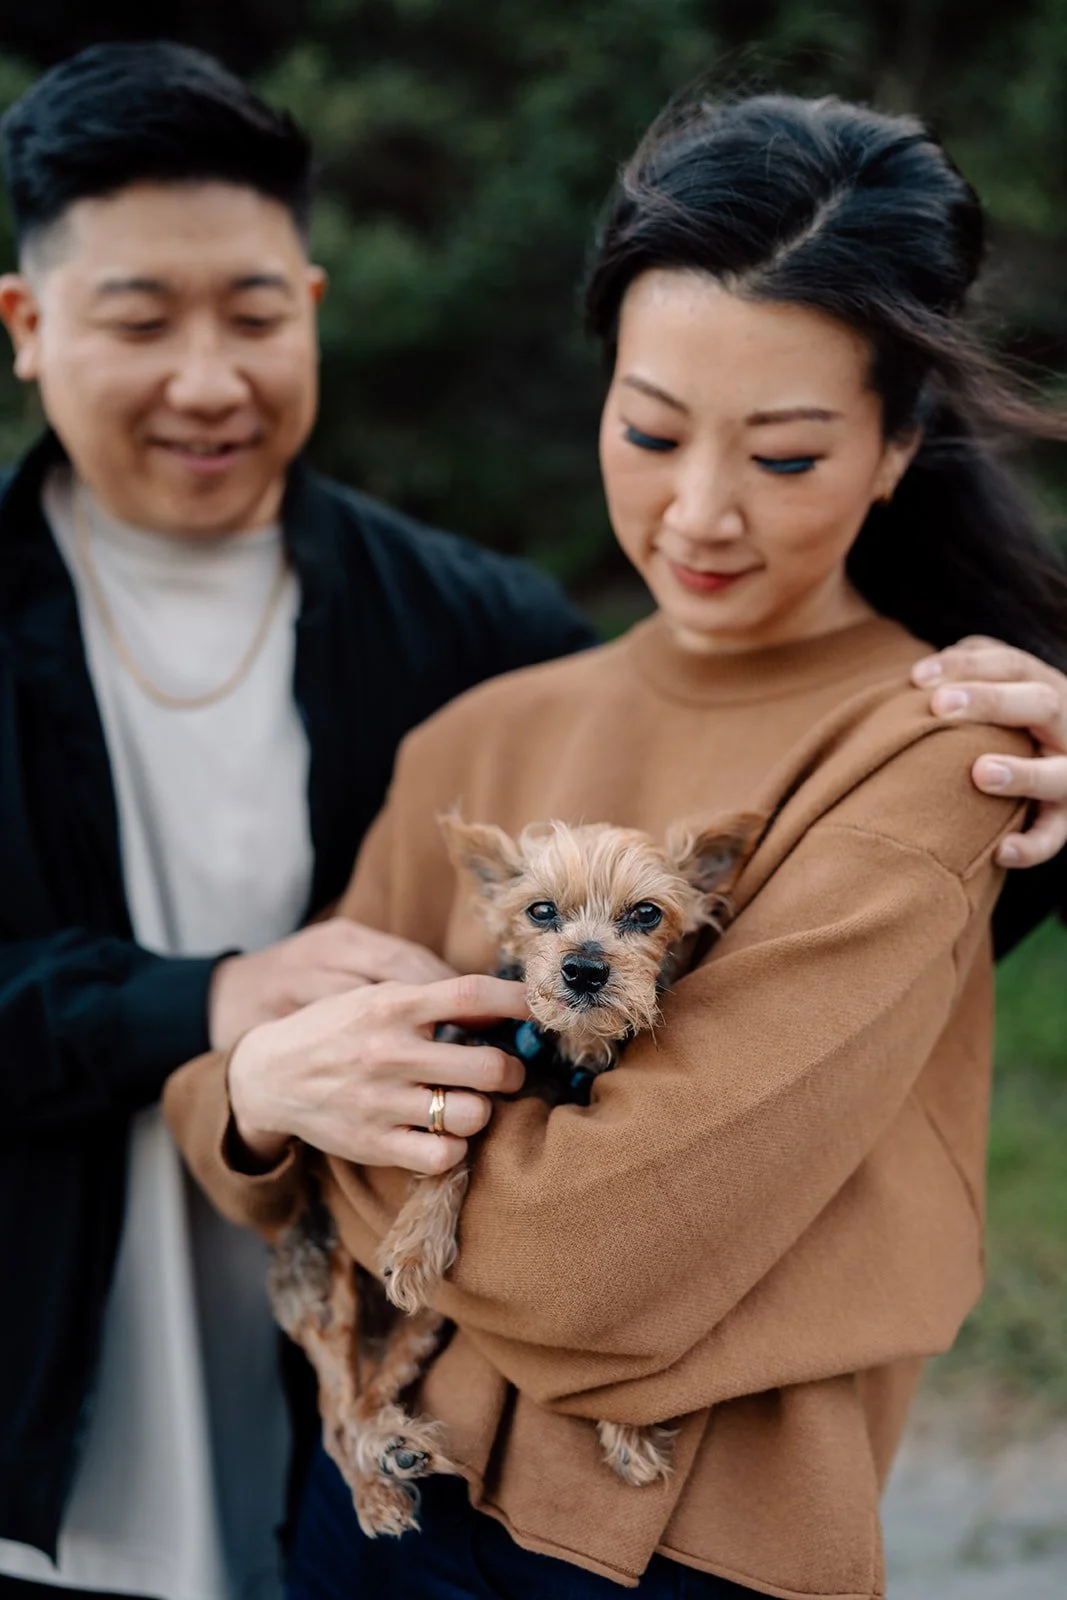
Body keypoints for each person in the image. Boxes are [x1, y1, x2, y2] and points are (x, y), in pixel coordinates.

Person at [167, 92, 1067, 1599]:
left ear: (900, 444)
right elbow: (232, 1100)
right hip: (370, 1505)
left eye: (783, 455)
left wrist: (359, 1133)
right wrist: (264, 1091)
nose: (698, 512)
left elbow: (598, 1260)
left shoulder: (926, 750)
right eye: (650, 430)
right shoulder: (479, 737)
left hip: (678, 1555)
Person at [0, 40, 593, 1600]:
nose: (211, 378)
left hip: (379, 1454)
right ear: (26, 324)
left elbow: (698, 903)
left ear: (312, 310)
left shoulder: (480, 626)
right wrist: (203, 1003)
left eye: (254, 315)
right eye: (140, 319)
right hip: (39, 1440)